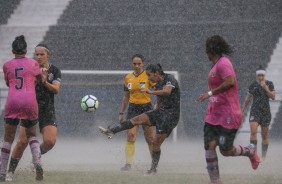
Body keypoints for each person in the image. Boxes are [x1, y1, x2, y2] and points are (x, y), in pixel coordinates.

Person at [196, 35, 260, 184]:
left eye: (206, 48)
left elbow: (230, 82)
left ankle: (250, 151)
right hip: (213, 115)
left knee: (225, 150)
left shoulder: (224, 63)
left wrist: (210, 93)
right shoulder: (215, 65)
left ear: (210, 49)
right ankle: (215, 181)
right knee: (209, 146)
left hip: (228, 116)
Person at [99, 63, 180, 175]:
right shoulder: (157, 83)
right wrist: (156, 107)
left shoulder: (169, 78)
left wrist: (150, 91)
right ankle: (112, 131)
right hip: (160, 112)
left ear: (156, 73)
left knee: (155, 142)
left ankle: (153, 169)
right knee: (135, 120)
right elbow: (159, 99)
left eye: (149, 75)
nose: (148, 77)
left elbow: (167, 92)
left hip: (171, 116)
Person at [5, 43, 61, 181]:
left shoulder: (54, 70)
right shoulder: (29, 67)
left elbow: (56, 89)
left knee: (50, 141)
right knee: (22, 141)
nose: (39, 57)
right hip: (29, 108)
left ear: (49, 55)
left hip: (47, 109)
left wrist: (44, 81)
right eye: (37, 54)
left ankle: (36, 158)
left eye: (42, 54)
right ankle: (10, 172)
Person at [0, 35, 44, 181]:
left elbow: (8, 83)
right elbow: (40, 80)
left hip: (13, 100)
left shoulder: (6, 65)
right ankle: (37, 163)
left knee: (8, 138)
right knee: (31, 135)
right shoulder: (33, 64)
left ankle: (2, 172)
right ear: (26, 50)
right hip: (29, 101)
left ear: (13, 50)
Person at [118, 54, 154, 171]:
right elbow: (126, 97)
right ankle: (128, 165)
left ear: (143, 64)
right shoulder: (128, 77)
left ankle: (154, 163)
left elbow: (156, 90)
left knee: (149, 138)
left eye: (139, 64)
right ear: (132, 64)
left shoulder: (148, 76)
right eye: (134, 64)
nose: (137, 66)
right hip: (133, 109)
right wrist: (121, 113)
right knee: (131, 135)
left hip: (147, 108)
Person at [241, 66, 275, 162]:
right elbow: (248, 99)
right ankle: (254, 154)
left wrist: (266, 88)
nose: (260, 77)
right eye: (259, 75)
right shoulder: (253, 85)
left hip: (265, 112)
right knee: (253, 132)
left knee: (264, 136)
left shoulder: (269, 84)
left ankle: (263, 156)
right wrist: (242, 109)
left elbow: (273, 97)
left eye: (262, 75)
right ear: (256, 76)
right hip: (255, 111)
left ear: (264, 75)